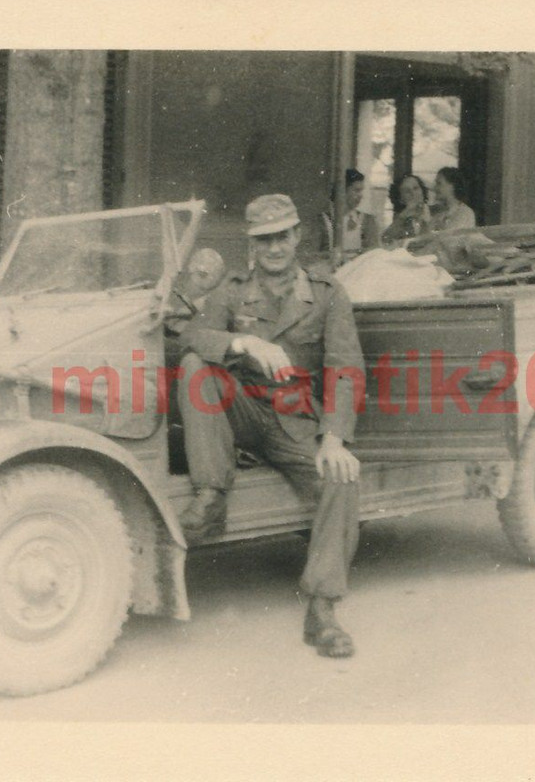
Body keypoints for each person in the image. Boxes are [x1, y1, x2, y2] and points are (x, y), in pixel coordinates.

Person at [176, 193, 364, 659]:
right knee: (196, 367)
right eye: (265, 239)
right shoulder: (234, 289)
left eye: (282, 236)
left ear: (297, 236)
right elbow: (193, 334)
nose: (275, 247)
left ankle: (321, 608)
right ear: (252, 244)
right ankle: (211, 494)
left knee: (340, 479)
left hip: (295, 419)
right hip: (241, 410)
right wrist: (243, 343)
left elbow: (345, 367)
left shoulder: (326, 292)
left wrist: (335, 439)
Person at [318, 168, 380, 266]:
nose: (360, 196)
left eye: (361, 191)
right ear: (342, 191)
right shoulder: (321, 221)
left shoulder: (367, 220)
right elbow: (313, 256)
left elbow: (375, 253)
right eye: (356, 190)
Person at [380, 173, 431, 245]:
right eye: (407, 191)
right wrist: (403, 215)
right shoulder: (402, 219)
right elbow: (385, 240)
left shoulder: (436, 210)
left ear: (422, 190)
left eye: (416, 188)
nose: (413, 193)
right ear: (401, 199)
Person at [428, 166, 477, 233]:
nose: (435, 187)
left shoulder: (465, 213)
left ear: (452, 186)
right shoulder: (438, 214)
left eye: (439, 183)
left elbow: (452, 239)